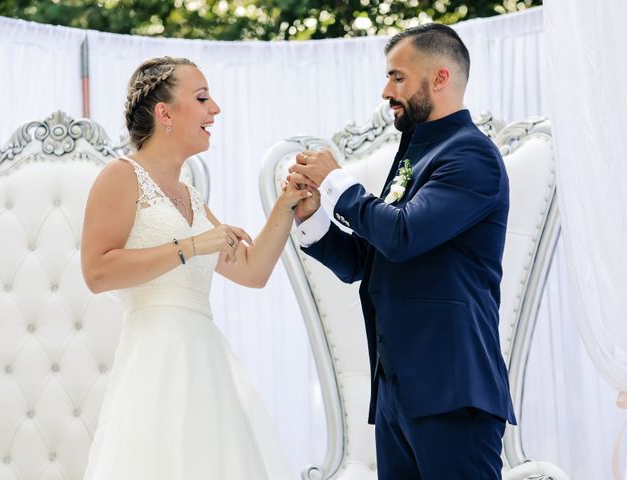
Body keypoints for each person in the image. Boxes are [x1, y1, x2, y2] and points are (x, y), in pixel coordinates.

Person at [289, 24, 517, 479]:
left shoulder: (471, 155)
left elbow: (402, 235)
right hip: (397, 393)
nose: (385, 91)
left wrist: (337, 181)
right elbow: (368, 261)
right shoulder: (416, 152)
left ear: (440, 78)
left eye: (398, 77)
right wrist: (311, 216)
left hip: (453, 391)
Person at [80, 56, 305, 479]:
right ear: (164, 113)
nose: (215, 109)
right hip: (155, 363)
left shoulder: (191, 197)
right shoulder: (120, 176)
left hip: (205, 363)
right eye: (202, 98)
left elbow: (252, 271)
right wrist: (191, 245)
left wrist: (287, 200)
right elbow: (97, 271)